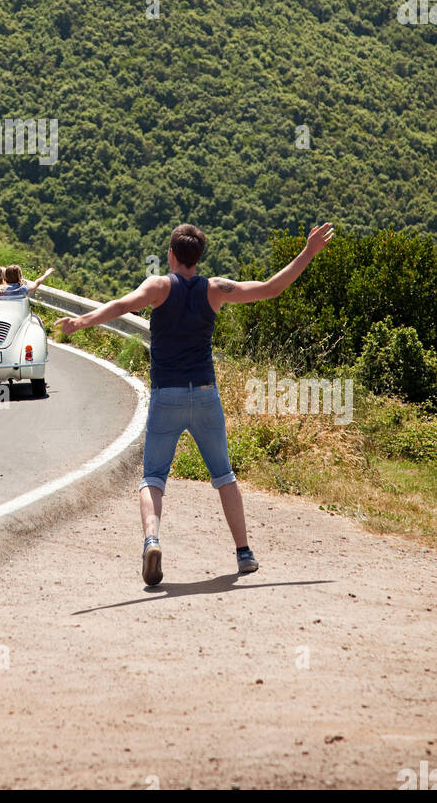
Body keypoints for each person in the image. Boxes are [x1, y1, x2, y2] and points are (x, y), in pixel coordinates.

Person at [57, 222, 334, 587]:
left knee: (153, 477)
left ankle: (152, 541)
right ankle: (244, 553)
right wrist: (308, 252)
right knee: (224, 476)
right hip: (205, 395)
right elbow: (272, 288)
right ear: (198, 257)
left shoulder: (158, 286)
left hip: (166, 396)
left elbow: (122, 305)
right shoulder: (216, 289)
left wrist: (81, 321)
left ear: (171, 254)